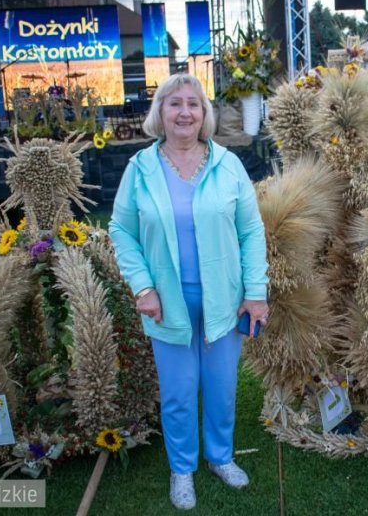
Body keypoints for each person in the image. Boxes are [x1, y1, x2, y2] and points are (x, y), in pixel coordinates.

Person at [109, 73, 269, 510]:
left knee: (221, 385)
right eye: (174, 103)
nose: (184, 112)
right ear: (160, 113)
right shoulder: (140, 169)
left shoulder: (228, 165)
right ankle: (182, 468)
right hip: (166, 303)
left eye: (193, 104)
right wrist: (143, 286)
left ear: (205, 114)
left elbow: (252, 231)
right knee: (179, 390)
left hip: (225, 298)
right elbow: (121, 229)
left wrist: (256, 292)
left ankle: (220, 456)